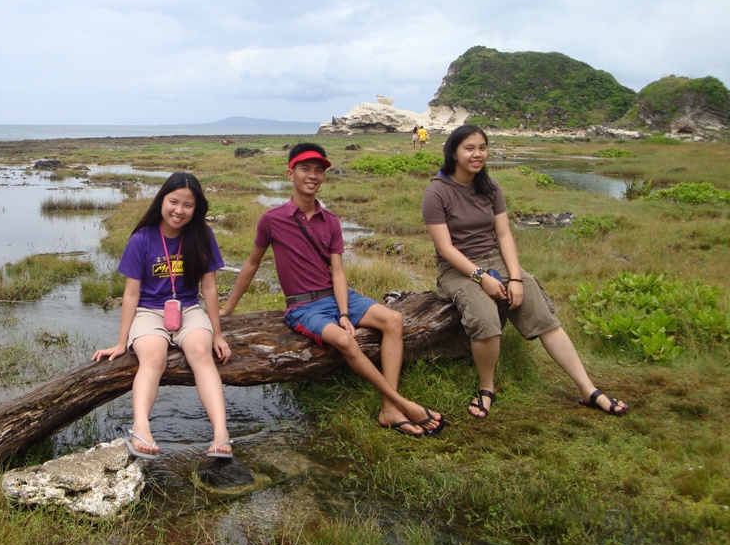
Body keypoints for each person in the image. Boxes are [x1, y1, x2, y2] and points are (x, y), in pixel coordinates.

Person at [221, 143, 445, 437]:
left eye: (319, 170)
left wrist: (344, 312)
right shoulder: (272, 219)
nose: (312, 175)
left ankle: (389, 408)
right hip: (303, 307)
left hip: (337, 296)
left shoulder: (331, 221)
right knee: (345, 341)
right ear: (290, 173)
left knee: (394, 319)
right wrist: (228, 308)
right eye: (305, 168)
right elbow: (251, 264)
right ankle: (401, 404)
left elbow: (338, 272)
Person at [421, 124, 629, 419]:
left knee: (544, 317)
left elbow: (504, 235)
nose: (477, 154)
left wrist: (516, 277)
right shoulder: (436, 191)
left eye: (482, 148)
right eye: (469, 148)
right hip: (457, 267)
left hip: (495, 258)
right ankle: (486, 387)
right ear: (453, 153)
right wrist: (481, 278)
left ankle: (588, 389)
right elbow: (445, 249)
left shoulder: (490, 186)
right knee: (485, 318)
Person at [92, 172, 233, 459]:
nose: (179, 210)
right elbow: (131, 294)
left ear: (196, 208)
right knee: (153, 356)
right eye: (174, 202)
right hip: (148, 311)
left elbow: (208, 287)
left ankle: (221, 434)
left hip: (189, 308)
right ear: (161, 201)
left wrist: (217, 335)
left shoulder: (202, 236)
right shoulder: (141, 239)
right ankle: (141, 427)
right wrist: (121, 342)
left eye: (188, 205)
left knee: (201, 352)